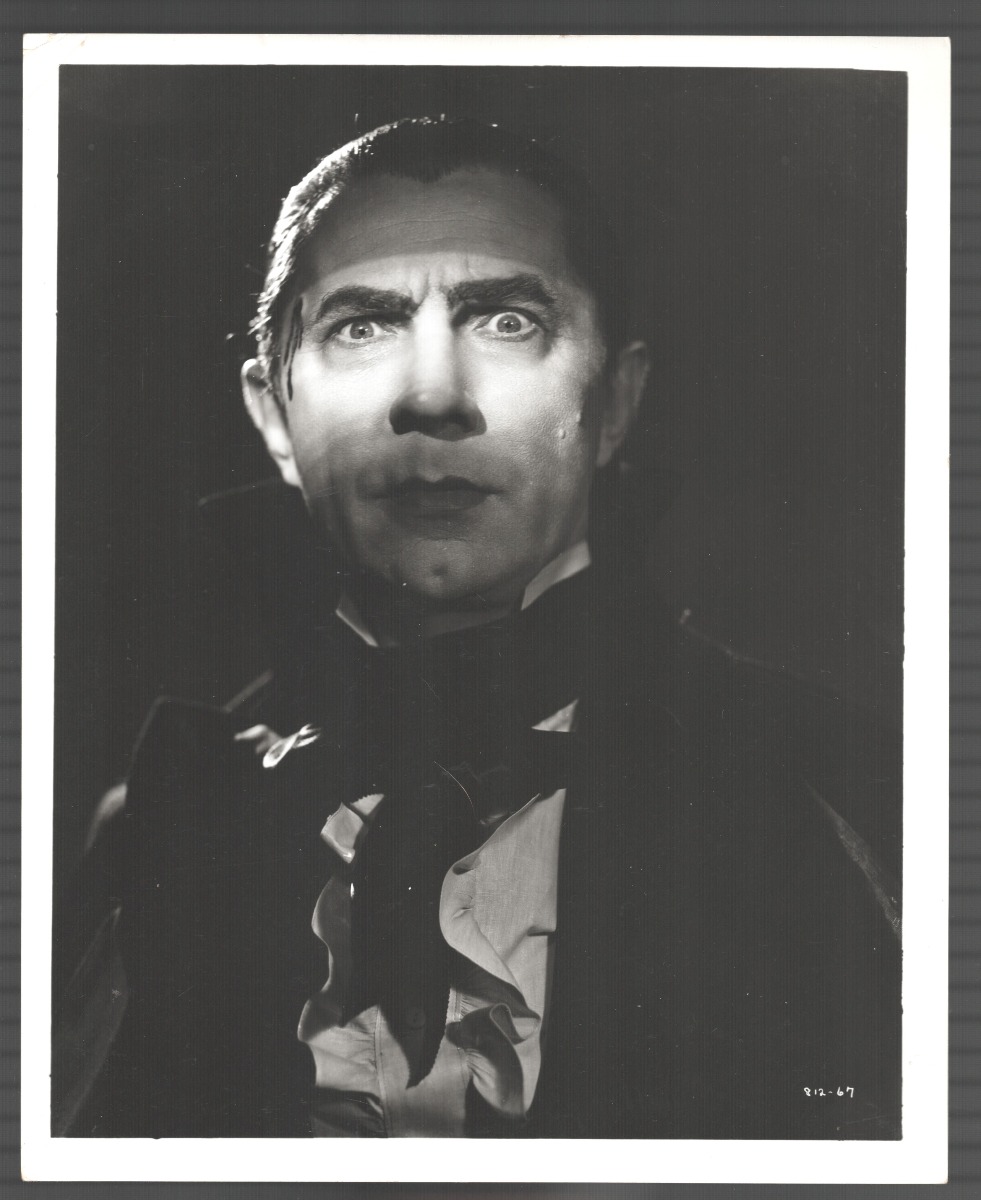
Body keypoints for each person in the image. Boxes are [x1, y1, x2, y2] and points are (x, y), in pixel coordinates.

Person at [52, 116, 901, 1140]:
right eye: (361, 328)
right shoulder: (160, 825)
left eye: (506, 322)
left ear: (615, 403)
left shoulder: (850, 795)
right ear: (274, 417)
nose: (434, 396)